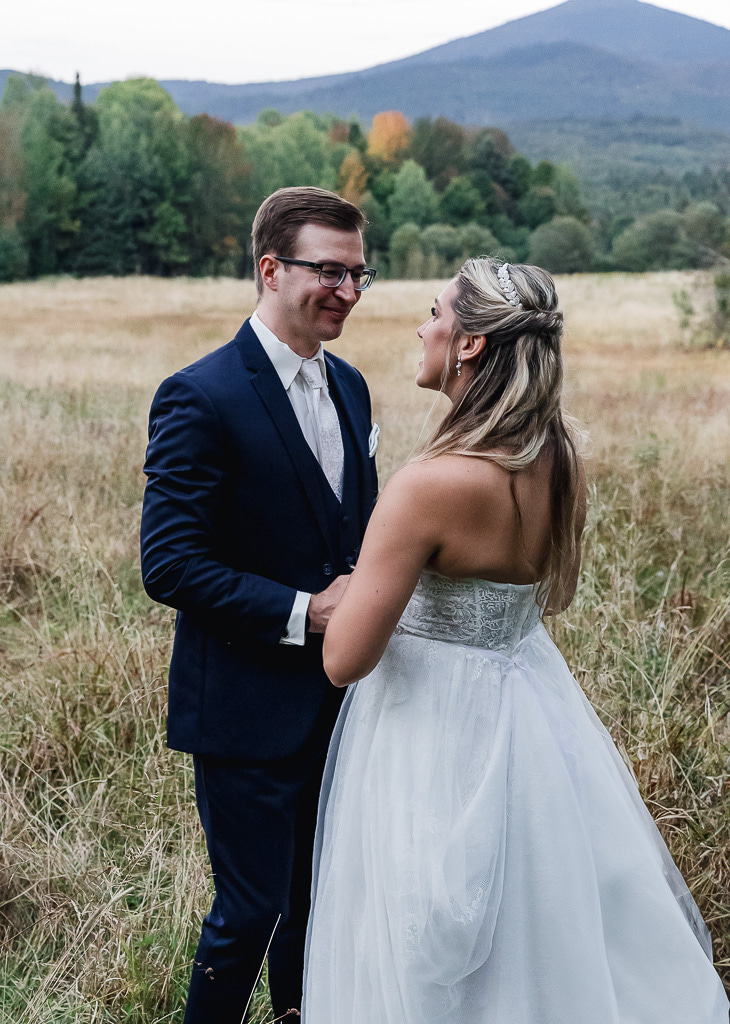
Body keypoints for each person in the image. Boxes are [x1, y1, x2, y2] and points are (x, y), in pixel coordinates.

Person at [302, 258, 729, 1022]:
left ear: (469, 345)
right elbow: (548, 598)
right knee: (543, 926)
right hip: (532, 718)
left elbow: (344, 661)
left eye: (435, 312)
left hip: (427, 733)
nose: (422, 326)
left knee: (423, 938)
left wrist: (343, 595)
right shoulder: (559, 461)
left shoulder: (429, 485)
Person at [140, 186, 379, 1024]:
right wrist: (307, 612)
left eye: (359, 274)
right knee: (250, 912)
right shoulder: (199, 395)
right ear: (271, 269)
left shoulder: (351, 388)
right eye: (330, 271)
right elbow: (168, 564)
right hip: (243, 708)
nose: (347, 291)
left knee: (319, 907)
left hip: (345, 703)